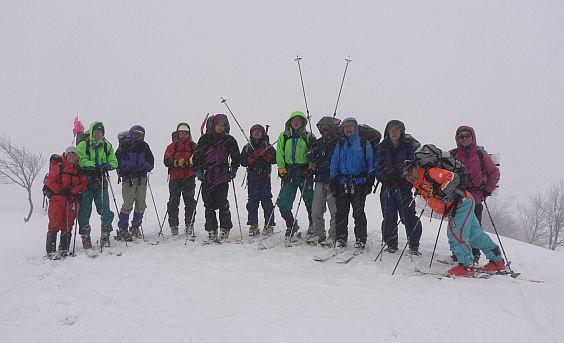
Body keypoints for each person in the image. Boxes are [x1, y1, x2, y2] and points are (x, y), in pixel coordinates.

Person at [402, 159, 506, 277]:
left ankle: (466, 266)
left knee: (455, 234)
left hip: (460, 204)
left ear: (416, 167)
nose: (409, 176)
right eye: (406, 175)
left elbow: (453, 177)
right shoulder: (419, 183)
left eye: (410, 172)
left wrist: (442, 192)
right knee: (475, 235)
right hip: (460, 204)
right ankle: (497, 261)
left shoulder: (431, 173)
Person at [450, 126, 500, 262]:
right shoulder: (453, 154)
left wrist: (487, 190)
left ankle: (474, 254)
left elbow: (494, 172)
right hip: (458, 199)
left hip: (475, 197)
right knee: (459, 226)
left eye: (467, 135)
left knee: (473, 227)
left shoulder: (480, 154)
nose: (464, 138)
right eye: (461, 136)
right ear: (457, 139)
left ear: (472, 137)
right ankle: (459, 253)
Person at [373, 120, 423, 255]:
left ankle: (413, 245)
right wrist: (383, 178)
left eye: (397, 129)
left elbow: (415, 165)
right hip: (387, 187)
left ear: (402, 131)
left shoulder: (409, 146)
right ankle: (391, 244)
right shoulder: (382, 147)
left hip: (404, 186)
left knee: (408, 216)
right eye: (391, 129)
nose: (394, 132)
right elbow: (376, 166)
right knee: (389, 216)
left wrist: (406, 178)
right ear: (387, 132)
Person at [193, 114, 240, 241]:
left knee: (222, 203)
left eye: (223, 125)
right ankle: (212, 230)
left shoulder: (229, 140)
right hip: (208, 175)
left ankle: (225, 229)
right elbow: (197, 157)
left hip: (222, 175)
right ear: (213, 125)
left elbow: (236, 156)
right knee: (208, 204)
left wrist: (234, 169)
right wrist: (198, 170)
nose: (220, 127)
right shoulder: (205, 139)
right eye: (218, 124)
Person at [329, 117, 374, 249]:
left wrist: (370, 180)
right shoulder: (340, 144)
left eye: (351, 126)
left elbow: (370, 161)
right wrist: (333, 179)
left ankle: (360, 239)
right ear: (342, 129)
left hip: (359, 183)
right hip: (342, 183)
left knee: (358, 213)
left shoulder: (364, 143)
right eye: (346, 127)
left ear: (356, 128)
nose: (348, 129)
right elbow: (334, 161)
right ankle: (341, 238)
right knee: (341, 212)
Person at [76, 121, 118, 249]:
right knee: (84, 210)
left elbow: (114, 161)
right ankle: (85, 237)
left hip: (100, 179)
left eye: (100, 132)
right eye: (96, 131)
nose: (98, 134)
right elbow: (80, 160)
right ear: (92, 132)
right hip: (86, 180)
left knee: (105, 209)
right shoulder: (83, 144)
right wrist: (92, 165)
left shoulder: (106, 145)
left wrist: (109, 165)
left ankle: (105, 234)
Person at [275, 111, 316, 241]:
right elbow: (279, 154)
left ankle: (312, 224)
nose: (296, 122)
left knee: (310, 201)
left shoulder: (309, 136)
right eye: (294, 119)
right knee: (283, 203)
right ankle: (291, 224)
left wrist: (311, 168)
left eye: (299, 119)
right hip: (289, 172)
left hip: (304, 172)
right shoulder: (284, 136)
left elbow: (314, 153)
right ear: (290, 122)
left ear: (303, 122)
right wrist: (282, 170)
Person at [45, 147, 88, 258]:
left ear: (77, 157)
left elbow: (84, 185)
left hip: (72, 200)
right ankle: (51, 250)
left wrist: (73, 191)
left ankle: (64, 248)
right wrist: (59, 189)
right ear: (66, 156)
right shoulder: (59, 167)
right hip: (57, 199)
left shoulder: (79, 170)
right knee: (54, 223)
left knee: (68, 224)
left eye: (74, 155)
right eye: (70, 155)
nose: (72, 157)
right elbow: (50, 181)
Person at [307, 116, 341, 246]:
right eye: (322, 127)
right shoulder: (318, 142)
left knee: (334, 210)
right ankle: (318, 234)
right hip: (320, 179)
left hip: (334, 180)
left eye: (327, 126)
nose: (324, 129)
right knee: (316, 209)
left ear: (333, 128)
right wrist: (312, 152)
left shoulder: (338, 141)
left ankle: (333, 236)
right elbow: (312, 158)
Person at [115, 125, 154, 241]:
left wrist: (146, 167)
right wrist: (131, 167)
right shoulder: (125, 147)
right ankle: (123, 228)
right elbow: (119, 163)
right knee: (128, 204)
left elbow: (151, 162)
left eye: (140, 135)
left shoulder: (145, 147)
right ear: (131, 134)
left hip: (141, 179)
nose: (138, 136)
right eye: (136, 134)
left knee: (141, 204)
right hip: (129, 179)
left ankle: (135, 227)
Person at [240, 124, 277, 236]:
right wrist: (250, 159)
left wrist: (266, 155)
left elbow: (275, 159)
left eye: (259, 131)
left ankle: (269, 225)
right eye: (254, 131)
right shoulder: (247, 147)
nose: (257, 133)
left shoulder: (268, 146)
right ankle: (253, 225)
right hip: (252, 179)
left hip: (265, 178)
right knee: (252, 202)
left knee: (267, 202)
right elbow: (242, 162)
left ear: (263, 133)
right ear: (251, 133)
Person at [163, 122, 198, 236]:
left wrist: (189, 163)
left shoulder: (193, 146)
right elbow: (166, 161)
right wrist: (176, 162)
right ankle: (174, 226)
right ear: (178, 134)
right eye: (181, 133)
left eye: (185, 133)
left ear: (189, 134)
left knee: (190, 203)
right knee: (173, 202)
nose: (183, 135)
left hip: (189, 178)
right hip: (175, 178)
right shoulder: (172, 146)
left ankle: (189, 225)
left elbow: (198, 159)